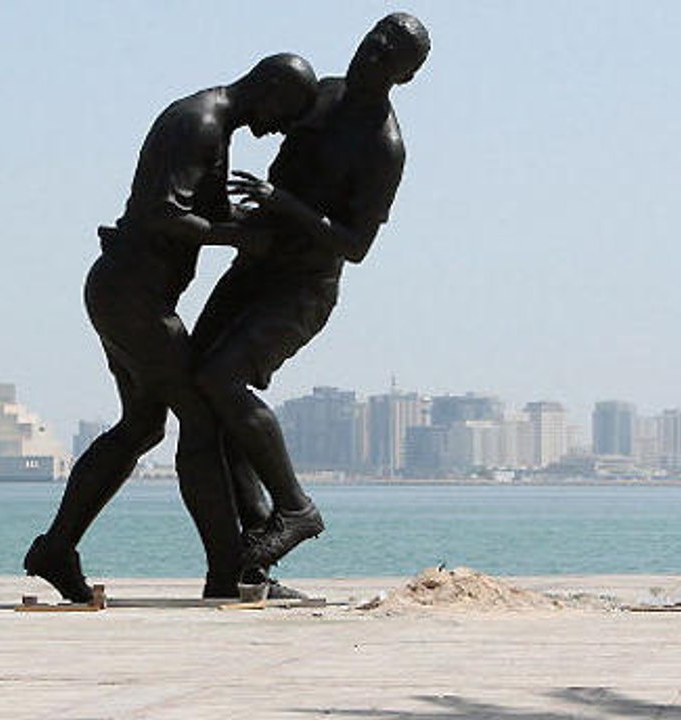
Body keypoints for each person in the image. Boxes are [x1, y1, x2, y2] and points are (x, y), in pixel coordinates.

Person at [24, 54, 319, 602]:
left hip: (128, 293)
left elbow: (198, 210)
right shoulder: (200, 123)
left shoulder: (216, 126)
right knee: (202, 417)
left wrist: (265, 219)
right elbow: (160, 213)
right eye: (288, 112)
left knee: (141, 427)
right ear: (271, 86)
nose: (282, 127)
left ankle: (56, 549)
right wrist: (240, 239)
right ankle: (229, 572)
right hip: (132, 297)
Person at [191, 13, 431, 574]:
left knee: (219, 379)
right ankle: (249, 560)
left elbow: (355, 245)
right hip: (256, 264)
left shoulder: (383, 146)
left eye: (388, 52)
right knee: (202, 392)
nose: (372, 51)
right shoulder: (321, 91)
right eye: (374, 37)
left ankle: (295, 508)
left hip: (302, 287)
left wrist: (283, 203)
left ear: (405, 76)